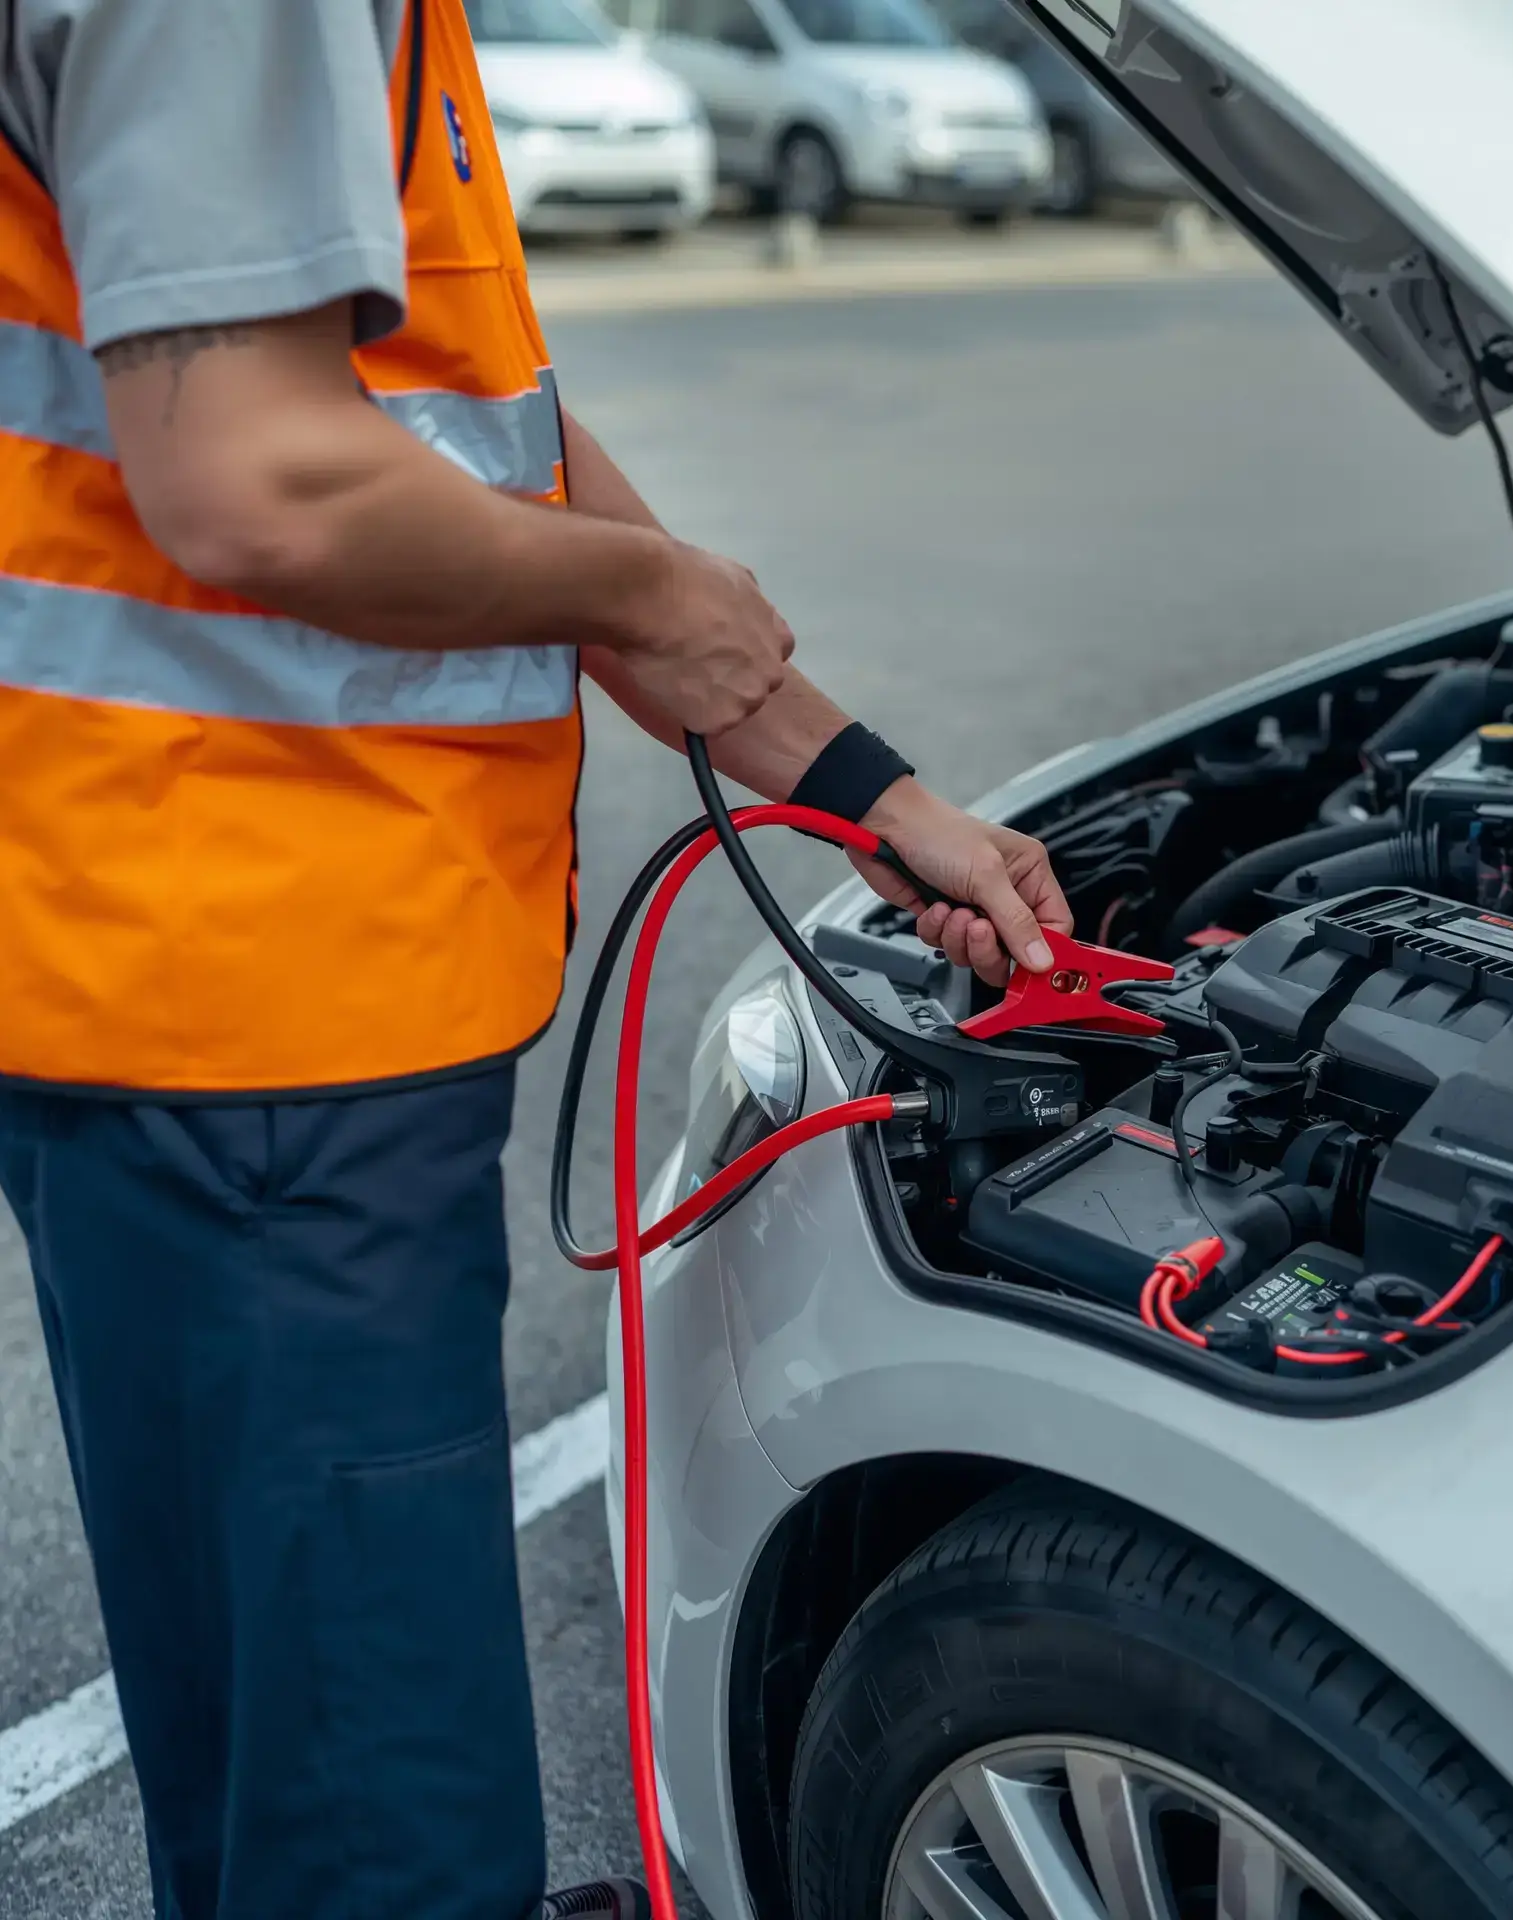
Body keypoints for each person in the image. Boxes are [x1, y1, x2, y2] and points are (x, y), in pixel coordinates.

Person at [0, 4, 1072, 1916]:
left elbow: (459, 430)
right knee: (372, 1805)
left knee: (265, 1742)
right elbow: (258, 474)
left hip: (196, 988)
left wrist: (871, 792)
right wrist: (652, 590)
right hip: (263, 1021)